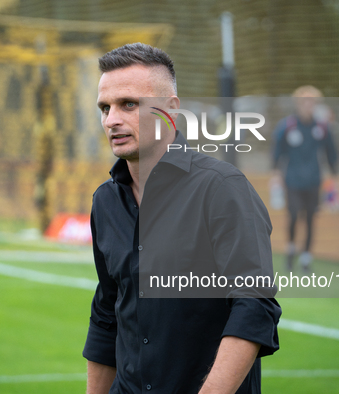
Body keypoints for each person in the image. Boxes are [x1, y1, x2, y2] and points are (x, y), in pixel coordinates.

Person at [83, 43, 280, 394]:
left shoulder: (222, 188)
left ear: (170, 110)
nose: (111, 119)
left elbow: (254, 305)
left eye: (128, 104)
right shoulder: (105, 201)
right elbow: (107, 312)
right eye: (104, 107)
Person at [272, 85, 339, 272]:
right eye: (305, 101)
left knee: (310, 219)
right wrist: (276, 174)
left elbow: (331, 153)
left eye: (312, 102)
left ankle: (306, 258)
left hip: (314, 180)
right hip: (292, 180)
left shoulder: (322, 127)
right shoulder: (287, 126)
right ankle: (291, 251)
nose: (308, 105)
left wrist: (335, 178)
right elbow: (277, 152)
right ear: (298, 104)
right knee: (293, 216)